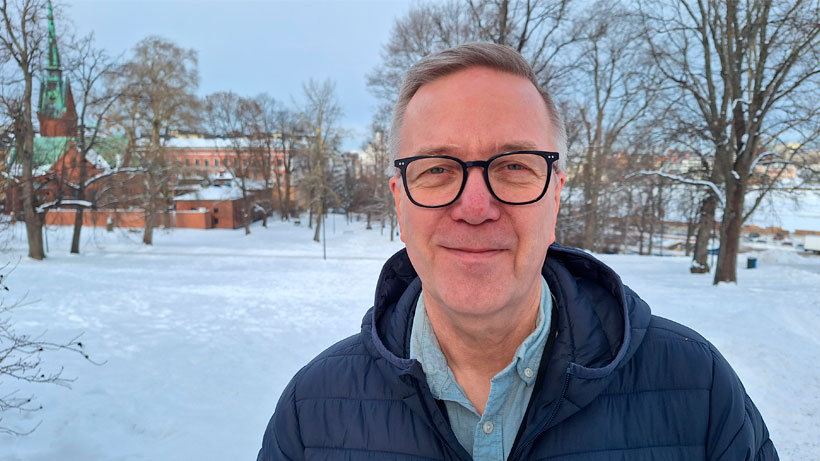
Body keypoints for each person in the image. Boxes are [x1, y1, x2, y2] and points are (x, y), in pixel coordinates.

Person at [258, 43, 777, 461]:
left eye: (514, 166)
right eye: (437, 169)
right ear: (400, 201)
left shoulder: (697, 389)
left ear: (555, 194)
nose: (475, 206)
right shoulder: (312, 413)